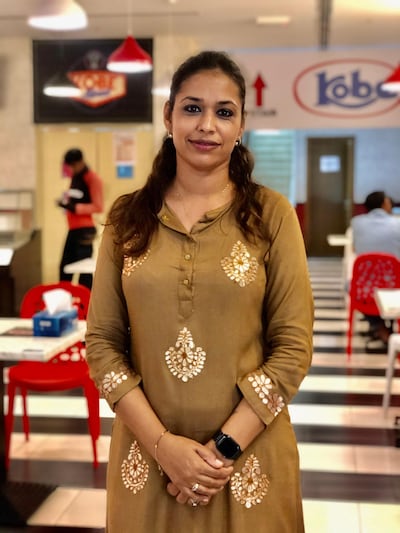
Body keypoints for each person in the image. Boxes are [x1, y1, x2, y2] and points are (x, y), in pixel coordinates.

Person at [85, 51, 314, 533]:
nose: (207, 125)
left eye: (224, 112)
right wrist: (164, 447)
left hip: (249, 462)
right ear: (168, 116)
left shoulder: (271, 216)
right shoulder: (127, 218)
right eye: (192, 108)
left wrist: (221, 451)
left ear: (240, 125)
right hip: (146, 462)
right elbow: (102, 344)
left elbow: (293, 349)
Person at [351, 190, 400, 344]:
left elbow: (355, 248)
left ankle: (378, 326)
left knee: (350, 286)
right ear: (384, 204)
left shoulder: (356, 223)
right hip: (394, 288)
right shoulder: (397, 223)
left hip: (363, 290)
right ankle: (384, 329)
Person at [57, 148, 103, 289]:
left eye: (73, 165)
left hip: (85, 230)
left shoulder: (92, 178)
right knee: (65, 269)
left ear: (80, 162)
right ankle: (65, 299)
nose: (72, 168)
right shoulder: (75, 178)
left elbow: (98, 206)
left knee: (84, 271)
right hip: (74, 228)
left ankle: (86, 301)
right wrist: (65, 204)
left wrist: (75, 208)